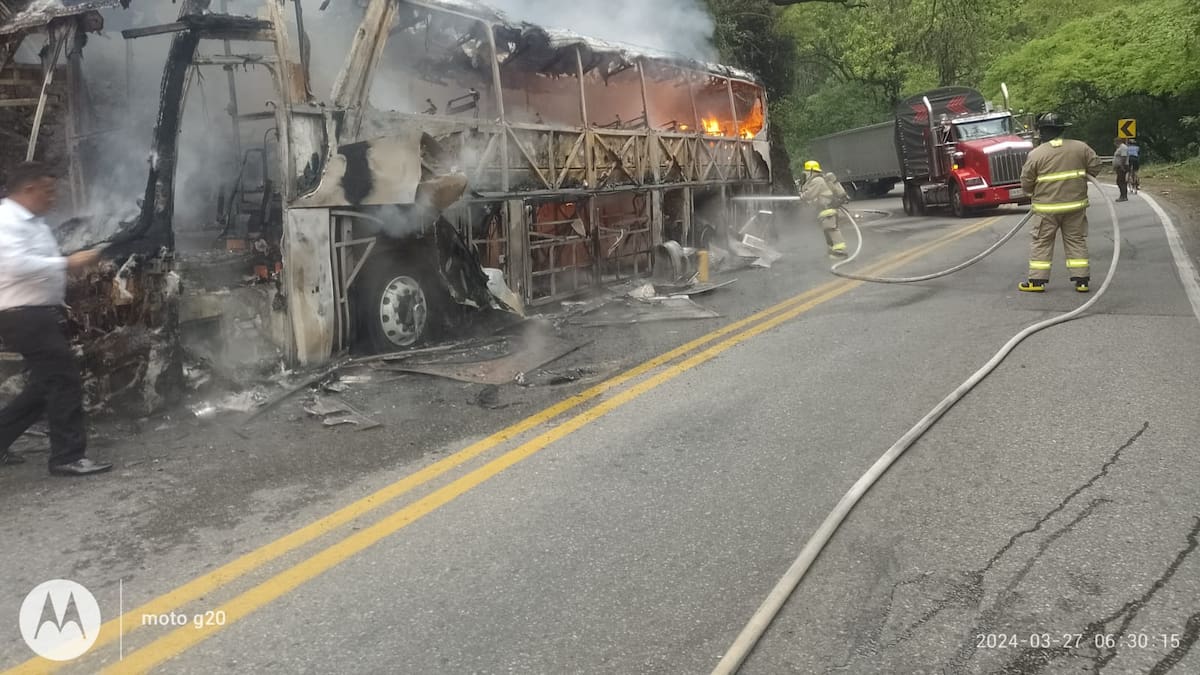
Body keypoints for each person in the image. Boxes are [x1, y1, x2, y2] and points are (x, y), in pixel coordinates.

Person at [0, 162, 112, 476]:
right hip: (20, 314)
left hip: (37, 313)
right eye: (48, 191)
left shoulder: (34, 223)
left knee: (45, 384)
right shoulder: (6, 220)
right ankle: (67, 456)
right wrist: (66, 263)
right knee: (63, 379)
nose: (53, 198)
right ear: (29, 189)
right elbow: (13, 264)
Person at [1017, 114, 1102, 294]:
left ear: (1042, 132)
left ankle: (1036, 282)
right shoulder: (1081, 148)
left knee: (1042, 242)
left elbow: (1026, 181)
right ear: (1062, 129)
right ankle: (1082, 281)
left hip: (1046, 210)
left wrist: (1031, 193)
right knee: (1076, 240)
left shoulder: (1036, 154)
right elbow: (1095, 167)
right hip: (1075, 207)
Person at [798, 160, 849, 257]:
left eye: (806, 171)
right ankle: (833, 251)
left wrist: (801, 195)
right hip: (824, 209)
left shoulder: (817, 180)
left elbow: (809, 195)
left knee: (831, 229)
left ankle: (840, 251)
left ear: (811, 171)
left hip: (827, 208)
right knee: (827, 230)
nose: (805, 173)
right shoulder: (817, 180)